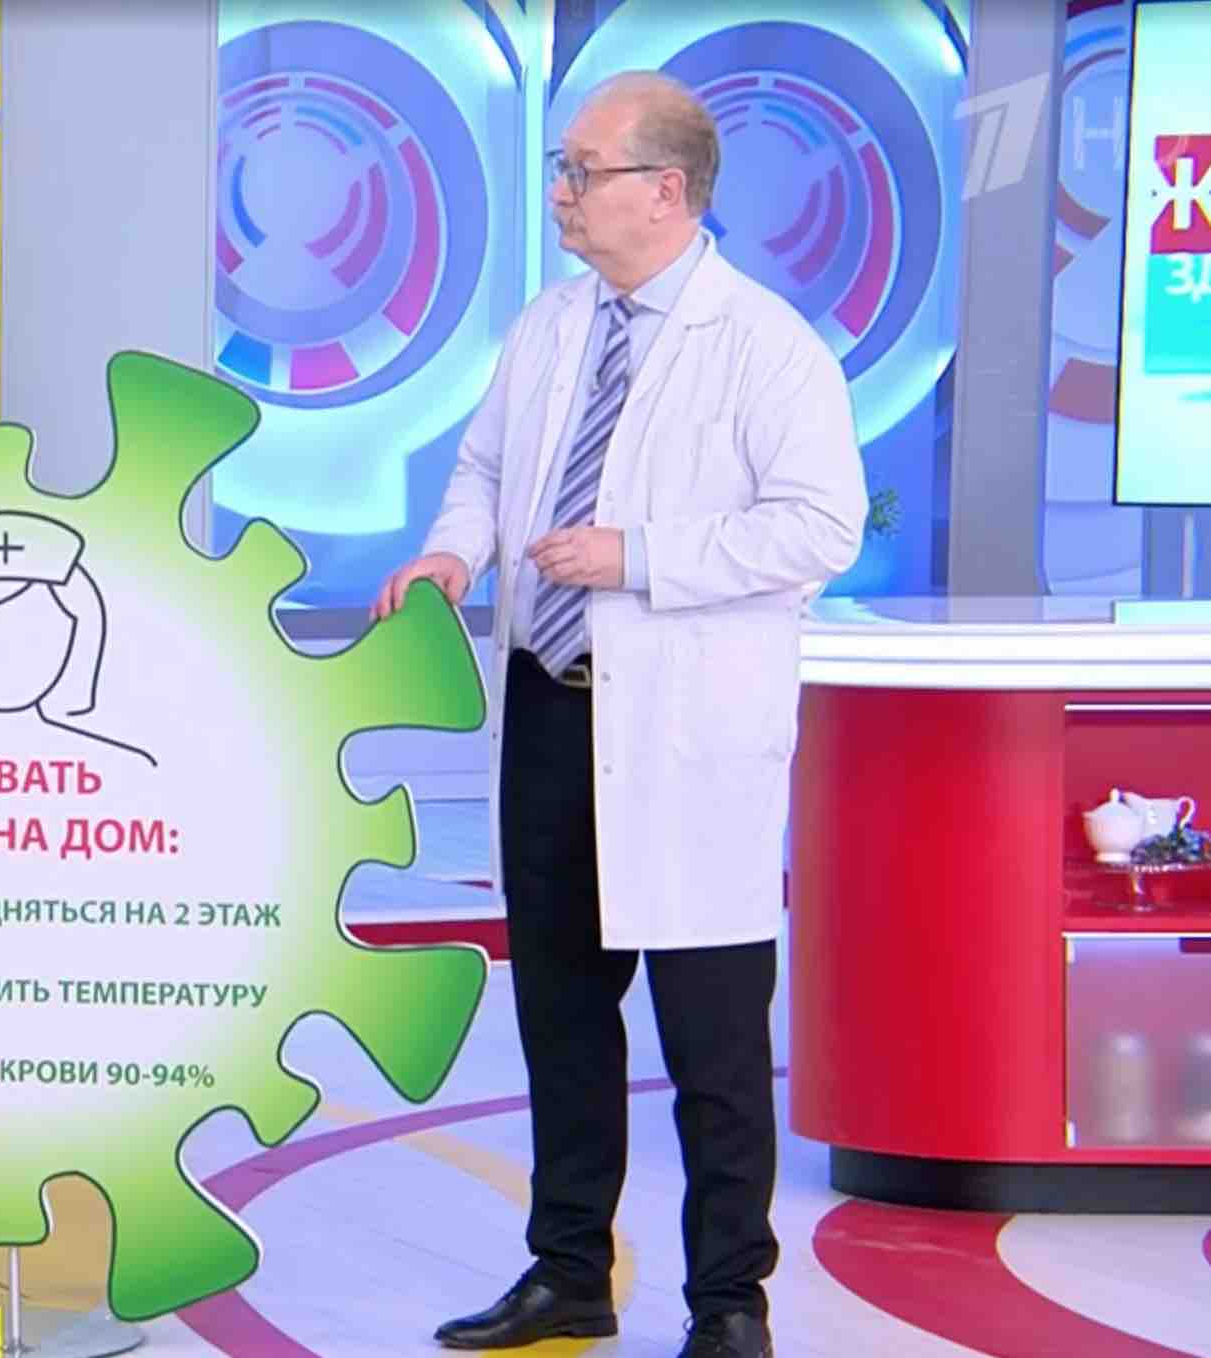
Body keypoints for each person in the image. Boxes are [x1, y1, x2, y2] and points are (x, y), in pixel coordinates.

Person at [372, 73, 866, 1358]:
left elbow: (820, 527)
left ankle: (728, 1304)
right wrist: (453, 553)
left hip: (684, 732)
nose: (560, 195)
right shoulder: (551, 324)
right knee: (561, 1019)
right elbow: (484, 466)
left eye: (581, 171)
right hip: (551, 709)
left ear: (666, 189)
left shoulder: (764, 344)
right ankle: (566, 1271)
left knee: (710, 1043)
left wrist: (637, 555)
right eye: (561, 168)